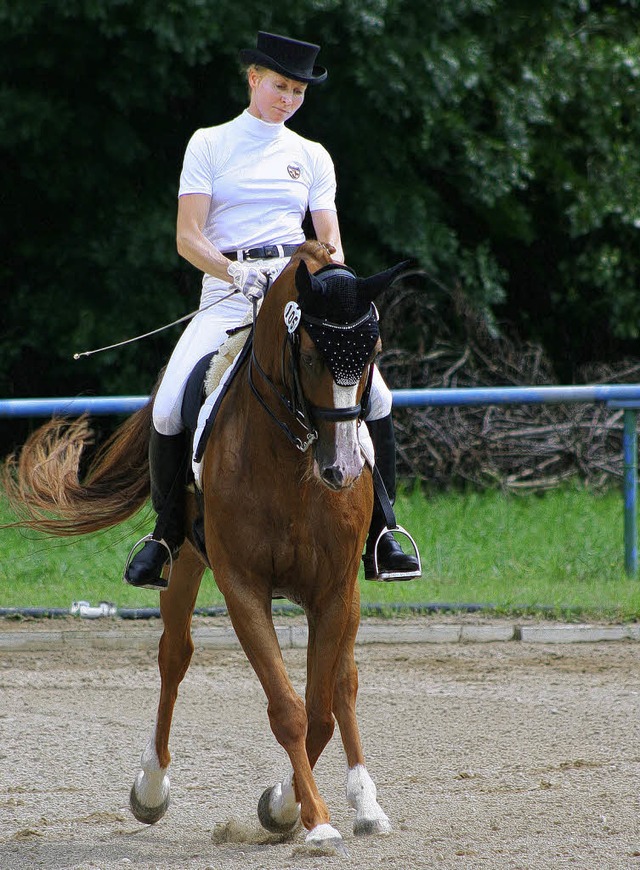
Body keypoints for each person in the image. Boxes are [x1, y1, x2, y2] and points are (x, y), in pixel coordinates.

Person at [124, 31, 420, 590]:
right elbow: (188, 238)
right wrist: (235, 272)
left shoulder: (312, 155)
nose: (289, 99)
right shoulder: (208, 144)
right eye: (281, 86)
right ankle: (164, 536)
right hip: (227, 290)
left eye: (299, 92)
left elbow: (329, 240)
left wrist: (321, 282)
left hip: (294, 292)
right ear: (254, 78)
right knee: (168, 407)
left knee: (377, 393)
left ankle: (383, 531)